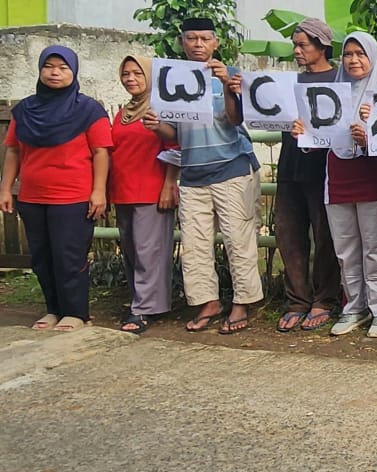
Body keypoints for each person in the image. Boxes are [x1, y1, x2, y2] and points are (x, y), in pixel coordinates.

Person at [143, 17, 263, 335]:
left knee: (239, 239)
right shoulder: (172, 78)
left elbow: (237, 120)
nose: (198, 44)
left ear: (216, 42)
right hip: (193, 172)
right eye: (191, 38)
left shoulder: (233, 74)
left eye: (204, 38)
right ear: (182, 42)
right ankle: (207, 302)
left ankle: (242, 302)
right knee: (194, 245)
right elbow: (175, 133)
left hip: (233, 168)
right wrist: (156, 126)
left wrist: (226, 85)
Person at [1, 46, 112, 331]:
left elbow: (101, 152)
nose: (54, 72)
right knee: (41, 257)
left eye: (62, 67)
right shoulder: (24, 111)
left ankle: (76, 313)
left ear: (73, 72)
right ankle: (53, 309)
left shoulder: (88, 110)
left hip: (72, 197)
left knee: (69, 256)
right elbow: (13, 151)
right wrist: (5, 189)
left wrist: (98, 191)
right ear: (40, 70)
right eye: (48, 66)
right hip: (32, 196)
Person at [300, 31, 377, 338]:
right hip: (338, 181)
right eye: (348, 54)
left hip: (376, 183)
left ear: (373, 56)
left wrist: (370, 138)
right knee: (345, 250)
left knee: (376, 250)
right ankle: (353, 307)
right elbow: (319, 139)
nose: (354, 60)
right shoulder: (331, 93)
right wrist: (303, 133)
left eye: (361, 54)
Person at [273, 18, 341, 333]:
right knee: (288, 235)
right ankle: (297, 300)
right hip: (289, 167)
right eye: (295, 45)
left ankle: (325, 299)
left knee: (325, 237)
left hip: (323, 169)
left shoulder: (340, 79)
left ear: (322, 46)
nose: (298, 51)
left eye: (303, 45)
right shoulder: (288, 84)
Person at [111, 55, 180, 334]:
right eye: (126, 74)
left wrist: (168, 185)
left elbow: (175, 146)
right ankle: (140, 301)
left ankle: (144, 309)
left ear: (150, 76)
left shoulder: (160, 109)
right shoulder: (124, 111)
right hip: (123, 189)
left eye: (138, 73)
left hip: (152, 188)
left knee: (148, 251)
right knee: (131, 250)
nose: (131, 79)